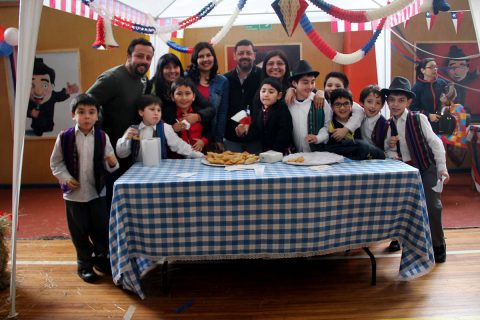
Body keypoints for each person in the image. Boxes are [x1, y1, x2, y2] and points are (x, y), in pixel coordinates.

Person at [50, 93, 119, 283]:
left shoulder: (102, 137)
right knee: (79, 231)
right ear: (73, 115)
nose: (87, 117)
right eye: (81, 112)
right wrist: (65, 177)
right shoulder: (64, 137)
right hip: (74, 195)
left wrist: (112, 162)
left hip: (97, 192)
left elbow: (112, 164)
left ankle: (101, 258)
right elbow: (56, 163)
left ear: (97, 115)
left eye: (91, 112)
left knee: (100, 228)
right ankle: (84, 264)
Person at [382, 76, 449, 262]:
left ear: (409, 102)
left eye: (401, 100)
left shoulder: (419, 118)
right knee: (400, 207)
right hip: (404, 171)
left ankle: (438, 243)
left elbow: (435, 143)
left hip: (426, 167)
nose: (395, 104)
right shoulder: (388, 125)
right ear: (387, 101)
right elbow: (387, 151)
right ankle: (401, 240)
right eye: (392, 100)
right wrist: (390, 147)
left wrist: (442, 168)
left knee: (432, 207)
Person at [87, 38, 154, 207]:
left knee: (128, 198)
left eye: (148, 58)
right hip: (110, 152)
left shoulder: (143, 79)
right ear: (129, 56)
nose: (144, 61)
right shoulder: (112, 78)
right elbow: (86, 104)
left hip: (130, 150)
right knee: (111, 199)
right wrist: (99, 138)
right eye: (140, 56)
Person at [116, 94, 203, 161]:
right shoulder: (133, 130)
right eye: (152, 109)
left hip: (160, 169)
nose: (156, 113)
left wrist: (202, 156)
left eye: (159, 110)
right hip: (138, 171)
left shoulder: (165, 128)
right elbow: (122, 154)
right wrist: (125, 138)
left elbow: (180, 146)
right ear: (141, 112)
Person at [150, 53, 216, 137]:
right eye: (167, 67)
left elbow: (210, 109)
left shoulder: (187, 85)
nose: (172, 71)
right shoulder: (153, 87)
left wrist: (198, 116)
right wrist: (170, 128)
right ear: (160, 70)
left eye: (175, 67)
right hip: (162, 136)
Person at [186, 42, 229, 152]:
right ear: (195, 60)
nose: (206, 59)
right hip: (187, 135)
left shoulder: (222, 81)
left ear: (213, 57)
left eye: (208, 55)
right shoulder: (186, 79)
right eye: (201, 56)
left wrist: (219, 139)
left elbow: (222, 113)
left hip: (211, 137)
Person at [224, 39, 263, 153]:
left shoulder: (263, 76)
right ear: (234, 56)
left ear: (254, 55)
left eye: (248, 53)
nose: (244, 56)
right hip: (231, 138)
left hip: (257, 137)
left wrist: (318, 92)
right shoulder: (225, 79)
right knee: (232, 168)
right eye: (241, 53)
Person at [236, 77, 293, 153]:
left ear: (279, 95)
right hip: (265, 152)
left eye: (271, 92)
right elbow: (256, 133)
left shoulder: (282, 109)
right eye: (263, 91)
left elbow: (285, 132)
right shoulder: (259, 111)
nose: (266, 94)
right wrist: (243, 132)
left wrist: (274, 151)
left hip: (280, 152)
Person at [324, 88, 385, 160]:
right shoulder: (331, 124)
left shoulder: (358, 120)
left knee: (362, 145)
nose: (342, 108)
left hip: (364, 160)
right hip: (340, 160)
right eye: (338, 104)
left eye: (346, 103)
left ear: (351, 105)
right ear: (332, 107)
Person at [27, 57, 79, 136]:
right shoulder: (28, 100)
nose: (38, 92)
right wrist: (30, 112)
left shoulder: (52, 96)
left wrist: (67, 91)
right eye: (32, 85)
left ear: (52, 86)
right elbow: (22, 110)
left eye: (44, 85)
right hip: (36, 127)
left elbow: (60, 95)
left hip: (49, 125)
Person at [287, 60, 331, 152]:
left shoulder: (321, 102)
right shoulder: (288, 103)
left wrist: (318, 138)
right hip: (294, 156)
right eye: (305, 82)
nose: (310, 86)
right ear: (295, 83)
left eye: (313, 82)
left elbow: (328, 126)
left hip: (318, 155)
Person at [322, 71, 365, 143]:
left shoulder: (350, 104)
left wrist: (346, 129)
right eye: (329, 85)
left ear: (345, 89)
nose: (333, 88)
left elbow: (360, 111)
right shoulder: (322, 102)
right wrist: (319, 93)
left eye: (338, 86)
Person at [171, 78, 210, 154]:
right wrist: (172, 129)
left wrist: (203, 141)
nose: (184, 98)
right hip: (177, 157)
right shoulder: (169, 115)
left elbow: (209, 131)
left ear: (194, 96)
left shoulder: (200, 113)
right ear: (172, 97)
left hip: (199, 154)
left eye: (188, 93)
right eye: (179, 94)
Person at [410, 58, 448, 133]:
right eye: (431, 67)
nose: (435, 69)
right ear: (423, 70)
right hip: (424, 125)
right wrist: (428, 115)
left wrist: (447, 101)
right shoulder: (416, 88)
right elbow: (413, 109)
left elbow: (450, 101)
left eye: (435, 67)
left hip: (443, 124)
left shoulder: (442, 83)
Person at [438, 83, 468, 166]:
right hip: (458, 141)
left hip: (445, 139)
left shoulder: (442, 109)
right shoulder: (460, 108)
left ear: (443, 96)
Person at [444, 45, 479, 114]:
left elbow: (472, 76)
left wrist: (476, 73)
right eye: (453, 67)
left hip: (462, 98)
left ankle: (460, 111)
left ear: (467, 69)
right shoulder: (445, 81)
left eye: (462, 66)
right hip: (451, 104)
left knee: (461, 100)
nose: (457, 71)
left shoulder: (467, 77)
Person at [359, 84, 389, 150]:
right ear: (361, 102)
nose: (373, 106)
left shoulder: (385, 124)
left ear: (382, 106)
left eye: (378, 103)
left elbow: (386, 147)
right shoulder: (359, 117)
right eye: (369, 102)